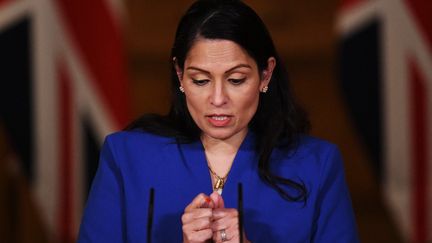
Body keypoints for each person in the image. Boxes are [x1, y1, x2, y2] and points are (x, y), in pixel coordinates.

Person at [78, 0, 359, 242]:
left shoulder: (317, 164)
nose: (217, 98)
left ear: (265, 75)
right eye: (200, 80)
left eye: (236, 79)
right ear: (180, 75)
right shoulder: (126, 157)